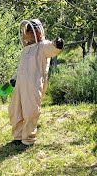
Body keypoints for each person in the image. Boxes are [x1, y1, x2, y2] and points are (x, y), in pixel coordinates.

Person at [8, 19, 64, 147]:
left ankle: (28, 140)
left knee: (30, 111)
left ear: (38, 32)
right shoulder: (26, 49)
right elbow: (21, 68)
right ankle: (18, 137)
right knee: (15, 111)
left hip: (33, 85)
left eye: (31, 31)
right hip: (20, 86)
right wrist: (14, 78)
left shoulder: (43, 46)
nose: (29, 34)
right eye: (27, 32)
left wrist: (57, 44)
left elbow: (52, 49)